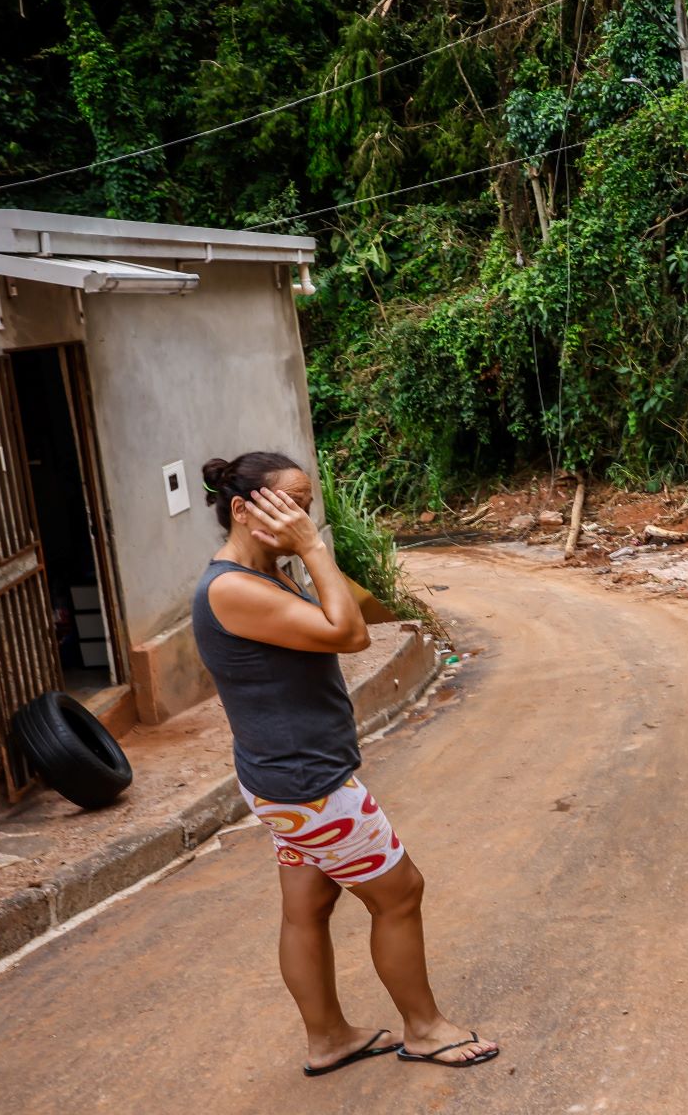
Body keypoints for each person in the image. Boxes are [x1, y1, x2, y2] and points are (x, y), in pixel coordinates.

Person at [191, 452, 498, 1075]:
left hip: (284, 779)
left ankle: (328, 1038)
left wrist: (298, 552)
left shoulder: (263, 574)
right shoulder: (233, 589)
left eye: (307, 509)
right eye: (291, 506)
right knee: (400, 893)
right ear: (245, 511)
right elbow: (350, 634)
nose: (304, 519)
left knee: (308, 906)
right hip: (310, 786)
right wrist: (314, 550)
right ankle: (426, 1029)